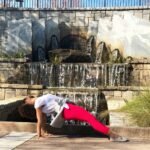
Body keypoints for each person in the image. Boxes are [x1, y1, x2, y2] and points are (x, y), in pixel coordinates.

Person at [19, 94, 129, 142]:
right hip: (67, 110)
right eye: (26, 98)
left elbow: (42, 120)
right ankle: (112, 135)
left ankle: (111, 135)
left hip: (68, 108)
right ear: (27, 103)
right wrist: (39, 135)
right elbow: (40, 120)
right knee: (91, 119)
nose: (28, 96)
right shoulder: (37, 103)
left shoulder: (40, 102)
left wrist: (44, 131)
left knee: (90, 119)